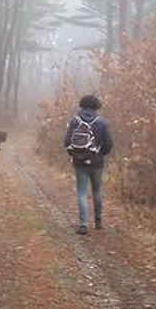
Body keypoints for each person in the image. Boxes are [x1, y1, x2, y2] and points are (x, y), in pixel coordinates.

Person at [63, 94, 113, 235]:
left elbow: (67, 142)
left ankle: (84, 225)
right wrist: (100, 154)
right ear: (97, 106)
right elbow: (109, 144)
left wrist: (75, 154)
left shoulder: (75, 121)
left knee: (82, 192)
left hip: (79, 163)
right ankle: (98, 221)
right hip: (97, 162)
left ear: (82, 105)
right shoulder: (102, 122)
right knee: (97, 190)